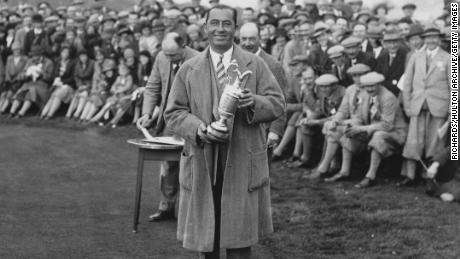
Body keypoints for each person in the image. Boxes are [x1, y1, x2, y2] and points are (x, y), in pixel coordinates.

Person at [163, 5, 285, 258]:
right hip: (202, 159)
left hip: (242, 160)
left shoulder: (256, 64)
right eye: (214, 23)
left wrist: (254, 102)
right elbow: (173, 113)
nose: (220, 29)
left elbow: (277, 104)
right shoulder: (189, 68)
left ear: (235, 29)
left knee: (240, 238)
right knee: (206, 237)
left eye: (227, 23)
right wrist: (200, 130)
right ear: (205, 27)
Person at [137, 32, 198, 222]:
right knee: (168, 165)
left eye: (173, 55)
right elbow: (153, 86)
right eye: (166, 54)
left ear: (184, 46)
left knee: (190, 165)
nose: (168, 58)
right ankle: (166, 206)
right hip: (169, 121)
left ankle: (188, 211)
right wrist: (147, 113)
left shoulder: (198, 59)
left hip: (192, 121)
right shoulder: (161, 57)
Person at [399, 26, 451, 186]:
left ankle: (429, 176)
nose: (431, 40)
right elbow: (407, 83)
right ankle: (409, 175)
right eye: (428, 37)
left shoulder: (448, 58)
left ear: (439, 39)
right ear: (424, 39)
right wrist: (407, 106)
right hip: (418, 104)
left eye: (434, 37)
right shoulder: (416, 57)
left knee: (434, 142)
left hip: (439, 106)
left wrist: (452, 109)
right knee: (414, 141)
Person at [238, 22, 288, 164]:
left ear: (260, 39)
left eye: (252, 39)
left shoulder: (272, 64)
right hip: (240, 128)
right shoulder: (234, 61)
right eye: (244, 39)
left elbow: (281, 100)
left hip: (263, 128)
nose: (247, 43)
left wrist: (275, 131)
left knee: (260, 172)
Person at [310, 63, 370, 179]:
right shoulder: (351, 89)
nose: (357, 79)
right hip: (352, 123)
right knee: (332, 127)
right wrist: (336, 120)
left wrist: (342, 123)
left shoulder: (371, 91)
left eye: (360, 75)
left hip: (365, 126)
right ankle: (332, 168)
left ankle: (327, 168)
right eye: (354, 76)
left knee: (339, 129)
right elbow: (343, 110)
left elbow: (365, 118)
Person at [9, 45, 54, 118]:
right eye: (33, 55)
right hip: (29, 82)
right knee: (21, 92)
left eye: (36, 55)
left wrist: (42, 73)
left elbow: (50, 78)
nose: (34, 57)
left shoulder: (48, 62)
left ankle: (21, 113)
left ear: (41, 55)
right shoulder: (30, 61)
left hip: (41, 84)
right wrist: (24, 75)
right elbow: (24, 72)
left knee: (30, 93)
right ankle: (12, 112)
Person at [40, 45, 75, 119]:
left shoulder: (72, 63)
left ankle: (50, 114)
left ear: (69, 54)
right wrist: (56, 79)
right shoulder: (57, 62)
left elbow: (73, 77)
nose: (65, 54)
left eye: (67, 52)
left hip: (68, 85)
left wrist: (62, 81)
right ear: (61, 53)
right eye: (63, 52)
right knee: (53, 96)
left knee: (57, 95)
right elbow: (53, 74)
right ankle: (43, 114)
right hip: (57, 84)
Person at [374, 30, 408, 97]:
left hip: (399, 95)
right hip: (383, 93)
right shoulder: (382, 56)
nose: (392, 46)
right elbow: (377, 74)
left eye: (395, 42)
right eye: (389, 43)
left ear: (399, 42)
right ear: (384, 44)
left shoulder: (405, 56)